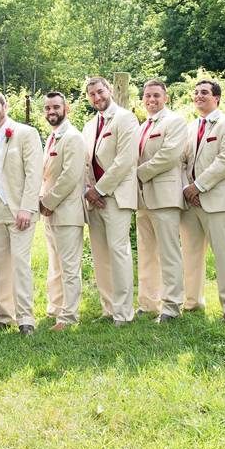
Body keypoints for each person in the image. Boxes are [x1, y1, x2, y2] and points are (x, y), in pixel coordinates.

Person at [180, 80, 225, 319]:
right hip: (190, 202)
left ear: (216, 97)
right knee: (190, 253)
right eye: (195, 93)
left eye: (204, 93)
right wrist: (188, 188)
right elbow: (182, 161)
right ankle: (192, 301)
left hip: (218, 201)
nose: (198, 96)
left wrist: (199, 186)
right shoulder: (189, 127)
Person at [0, 92, 42, 336]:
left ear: (4, 106)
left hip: (19, 209)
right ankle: (5, 316)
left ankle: (26, 318)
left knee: (20, 263)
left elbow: (34, 172)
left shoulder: (26, 133)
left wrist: (27, 207)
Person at [82, 77, 140, 325]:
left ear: (109, 91)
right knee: (100, 255)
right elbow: (85, 162)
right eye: (92, 94)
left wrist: (101, 190)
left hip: (116, 196)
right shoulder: (88, 125)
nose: (97, 97)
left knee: (119, 252)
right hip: (93, 199)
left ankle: (124, 312)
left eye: (100, 91)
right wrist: (88, 190)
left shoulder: (126, 118)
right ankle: (108, 308)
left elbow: (125, 160)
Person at [134, 79, 187, 323]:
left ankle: (172, 306)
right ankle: (148, 302)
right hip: (142, 199)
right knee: (146, 252)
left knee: (168, 252)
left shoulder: (174, 122)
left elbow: (169, 156)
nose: (151, 100)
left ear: (165, 97)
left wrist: (139, 173)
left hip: (164, 196)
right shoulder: (141, 126)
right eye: (147, 96)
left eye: (156, 95)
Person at [39, 92, 86, 331]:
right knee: (54, 265)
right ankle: (55, 307)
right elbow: (48, 174)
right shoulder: (52, 137)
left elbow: (70, 176)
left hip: (67, 212)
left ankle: (69, 316)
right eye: (47, 108)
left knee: (69, 267)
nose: (51, 112)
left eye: (56, 107)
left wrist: (48, 202)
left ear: (66, 108)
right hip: (50, 211)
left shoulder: (73, 137)